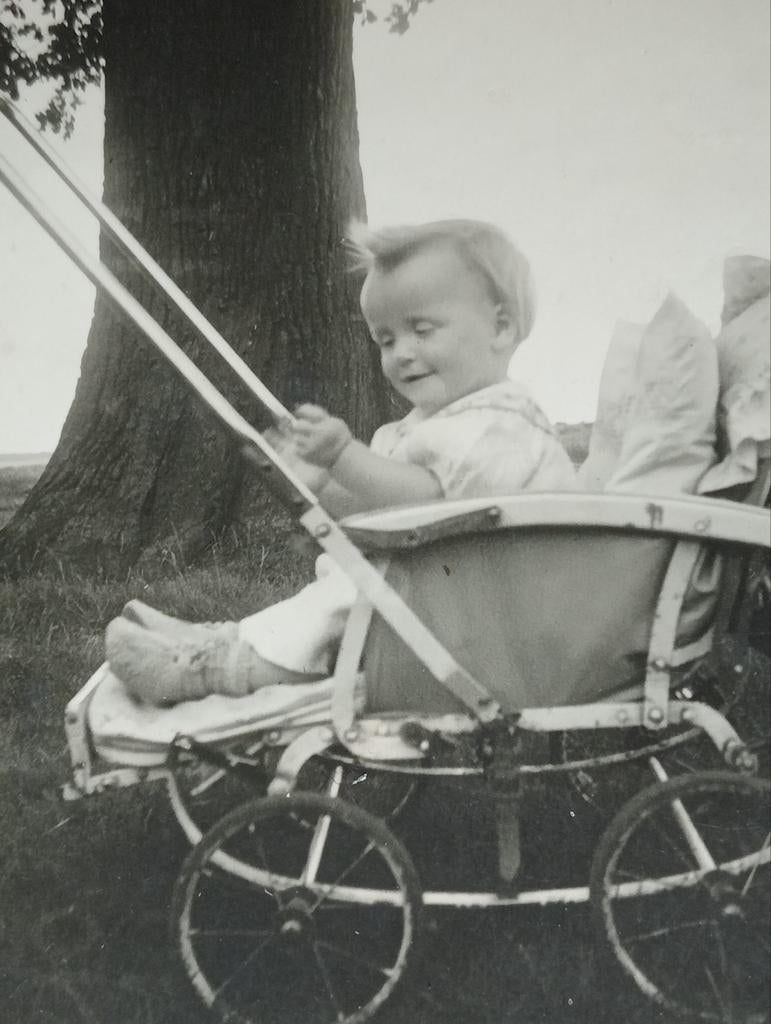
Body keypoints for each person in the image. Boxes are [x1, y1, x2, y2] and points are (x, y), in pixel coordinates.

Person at [106, 219, 576, 704]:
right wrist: (320, 485)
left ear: (501, 327)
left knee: (352, 595)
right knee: (348, 589)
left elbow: (432, 504)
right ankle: (226, 640)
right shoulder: (442, 423)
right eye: (386, 340)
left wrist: (344, 456)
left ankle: (220, 667)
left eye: (422, 330)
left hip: (494, 628)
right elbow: (385, 509)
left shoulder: (501, 428)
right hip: (451, 603)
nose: (402, 355)